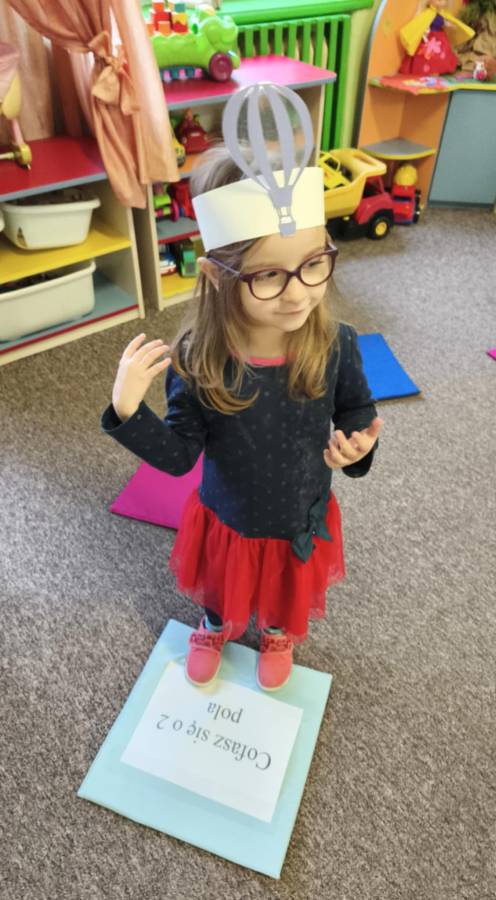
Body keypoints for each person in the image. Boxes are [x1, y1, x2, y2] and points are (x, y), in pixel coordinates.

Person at [101, 84, 383, 693]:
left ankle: (277, 633)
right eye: (268, 276)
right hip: (228, 515)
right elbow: (180, 456)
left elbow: (356, 409)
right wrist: (127, 409)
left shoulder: (336, 342)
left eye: (314, 263)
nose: (299, 292)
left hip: (296, 514)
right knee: (222, 586)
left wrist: (358, 445)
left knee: (284, 591)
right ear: (216, 275)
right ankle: (215, 624)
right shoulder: (199, 359)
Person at [399, 1, 475, 76]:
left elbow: (445, 23)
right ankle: (428, 69)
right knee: (429, 55)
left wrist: (450, 26)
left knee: (441, 54)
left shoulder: (442, 13)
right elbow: (422, 23)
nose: (442, 1)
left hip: (440, 37)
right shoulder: (427, 13)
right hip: (429, 37)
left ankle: (439, 69)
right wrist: (425, 31)